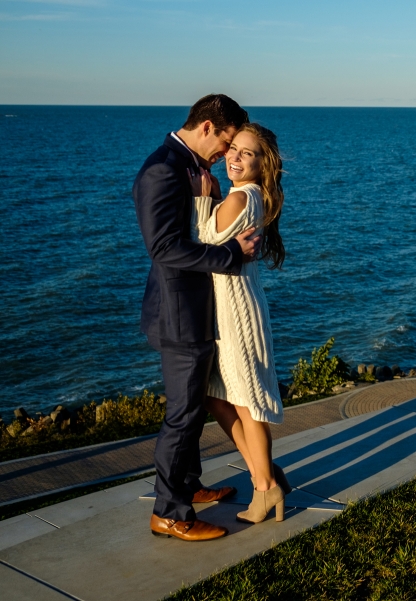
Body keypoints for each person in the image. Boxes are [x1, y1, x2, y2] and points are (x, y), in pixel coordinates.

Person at [133, 94, 259, 542]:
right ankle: (168, 513)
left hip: (195, 309)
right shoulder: (162, 169)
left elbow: (196, 227)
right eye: (226, 141)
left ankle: (188, 486)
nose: (227, 152)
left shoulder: (188, 165)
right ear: (207, 126)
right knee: (182, 417)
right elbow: (164, 248)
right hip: (178, 314)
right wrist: (229, 253)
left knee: (191, 411)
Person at [189, 123, 288, 524]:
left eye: (247, 153)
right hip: (231, 307)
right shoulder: (250, 196)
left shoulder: (241, 197)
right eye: (233, 149)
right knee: (218, 396)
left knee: (247, 404)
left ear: (263, 163)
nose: (234, 157)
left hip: (236, 313)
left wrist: (201, 198)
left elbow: (197, 244)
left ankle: (265, 489)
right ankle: (264, 477)